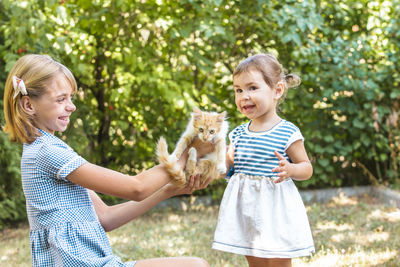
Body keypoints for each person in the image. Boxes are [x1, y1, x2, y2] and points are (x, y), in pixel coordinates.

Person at [2, 54, 212, 267]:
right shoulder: (46, 152)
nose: (71, 106)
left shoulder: (51, 150)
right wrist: (186, 154)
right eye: (60, 99)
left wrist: (169, 190)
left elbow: (105, 218)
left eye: (71, 98)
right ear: (28, 105)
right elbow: (136, 187)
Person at [212, 53, 315, 267]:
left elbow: (307, 169)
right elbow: (227, 170)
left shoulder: (287, 132)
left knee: (278, 260)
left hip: (276, 208)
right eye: (238, 90)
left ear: (277, 90)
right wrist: (222, 162)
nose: (243, 96)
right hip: (246, 208)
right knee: (255, 260)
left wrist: (291, 170)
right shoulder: (238, 133)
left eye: (252, 88)